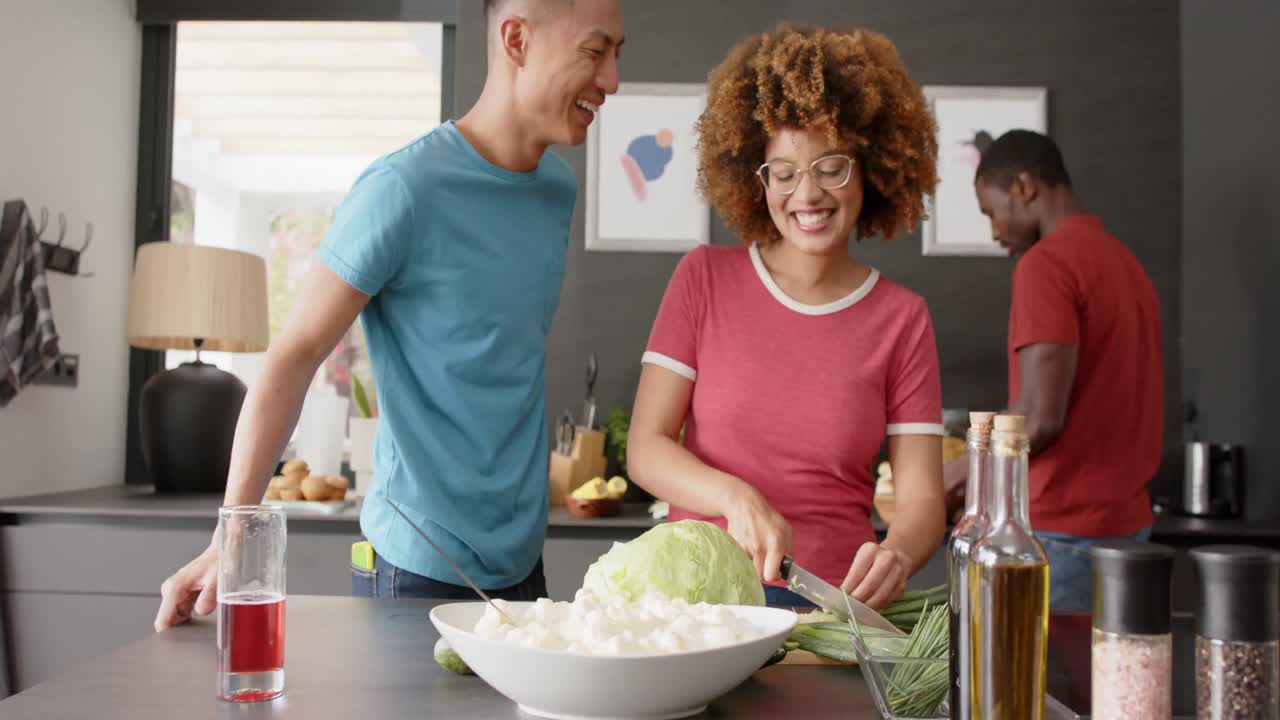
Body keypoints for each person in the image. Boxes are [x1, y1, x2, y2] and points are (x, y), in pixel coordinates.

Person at [153, 0, 624, 630]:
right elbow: (293, 356)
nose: (612, 79)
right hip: (415, 566)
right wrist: (230, 534)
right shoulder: (402, 190)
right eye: (595, 51)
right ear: (516, 39)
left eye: (618, 53)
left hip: (523, 563)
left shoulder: (556, 191)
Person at [626, 24, 946, 610]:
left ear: (869, 168)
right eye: (784, 171)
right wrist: (734, 497)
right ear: (757, 176)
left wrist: (897, 555)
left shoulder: (903, 320)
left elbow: (923, 500)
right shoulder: (703, 278)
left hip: (829, 610)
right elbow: (645, 448)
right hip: (699, 609)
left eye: (831, 166)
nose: (808, 193)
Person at [949, 129, 1163, 611]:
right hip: (1129, 528)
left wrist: (959, 473)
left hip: (1062, 535)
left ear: (1024, 188)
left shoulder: (1046, 265)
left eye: (991, 212)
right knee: (1109, 684)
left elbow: (1041, 417)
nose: (995, 231)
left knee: (1036, 687)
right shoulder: (1126, 263)